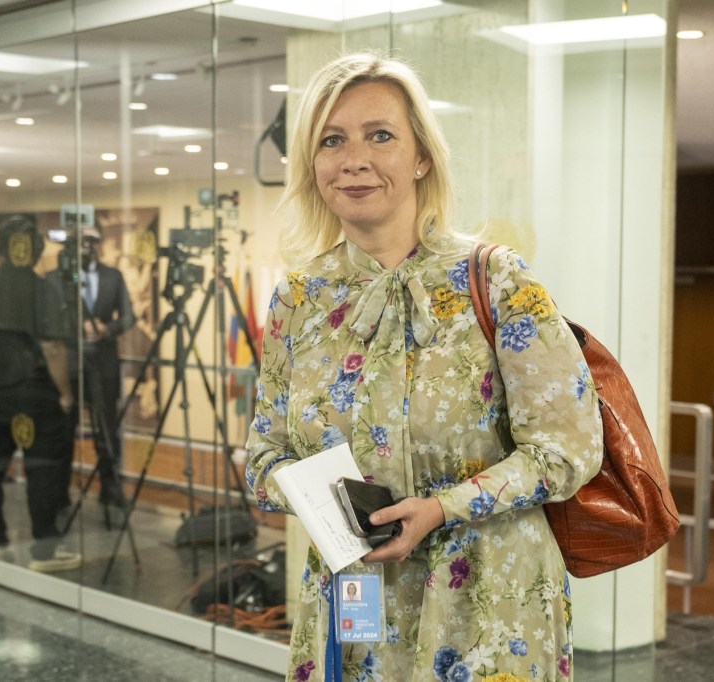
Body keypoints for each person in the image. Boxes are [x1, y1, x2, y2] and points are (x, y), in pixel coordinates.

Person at [245, 53, 604, 681]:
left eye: (380, 135)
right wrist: (331, 507)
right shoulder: (297, 301)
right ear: (312, 164)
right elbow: (263, 458)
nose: (354, 159)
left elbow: (567, 450)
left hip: (489, 604)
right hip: (357, 601)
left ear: (421, 158)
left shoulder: (497, 281)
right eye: (332, 140)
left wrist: (442, 508)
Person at [0, 214, 81, 572]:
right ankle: (45, 549)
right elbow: (53, 347)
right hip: (36, 395)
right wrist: (64, 393)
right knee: (42, 471)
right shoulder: (43, 290)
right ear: (35, 249)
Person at [48, 227, 134, 511]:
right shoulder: (55, 279)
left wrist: (106, 329)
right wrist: (77, 328)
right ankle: (58, 491)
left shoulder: (113, 276)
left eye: (90, 242)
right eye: (79, 243)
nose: (85, 248)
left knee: (107, 429)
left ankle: (110, 488)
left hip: (104, 364)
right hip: (68, 365)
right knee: (63, 431)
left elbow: (128, 317)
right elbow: (47, 320)